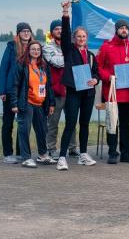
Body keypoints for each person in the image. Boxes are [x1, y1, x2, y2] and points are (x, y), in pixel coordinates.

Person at [55, 1, 101, 171]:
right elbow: (65, 34)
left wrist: (96, 79)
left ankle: (83, 154)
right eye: (78, 36)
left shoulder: (90, 55)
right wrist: (65, 13)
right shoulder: (69, 50)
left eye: (84, 36)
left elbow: (97, 73)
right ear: (74, 39)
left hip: (88, 93)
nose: (81, 39)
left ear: (86, 38)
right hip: (74, 92)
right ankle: (61, 157)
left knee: (85, 124)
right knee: (70, 124)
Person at [7, 41, 56, 168]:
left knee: (42, 130)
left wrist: (51, 103)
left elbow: (49, 86)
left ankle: (43, 155)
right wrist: (14, 103)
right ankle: (26, 157)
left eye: (38, 49)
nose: (36, 51)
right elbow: (15, 85)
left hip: (40, 103)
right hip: (26, 102)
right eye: (33, 49)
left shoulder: (44, 66)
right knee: (24, 130)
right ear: (28, 50)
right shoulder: (22, 65)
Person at [97, 18, 129, 164]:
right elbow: (98, 67)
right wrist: (108, 77)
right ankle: (112, 152)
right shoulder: (106, 47)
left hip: (127, 93)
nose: (124, 30)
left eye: (126, 28)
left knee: (125, 124)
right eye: (121, 28)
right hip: (112, 92)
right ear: (116, 30)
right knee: (112, 123)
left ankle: (126, 153)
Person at [0, 22, 34, 164]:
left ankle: (21, 152)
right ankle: (7, 154)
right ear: (18, 33)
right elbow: (3, 69)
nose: (26, 33)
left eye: (28, 31)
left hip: (25, 92)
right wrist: (2, 90)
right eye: (23, 31)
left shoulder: (33, 48)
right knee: (8, 123)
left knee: (23, 123)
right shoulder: (11, 48)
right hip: (10, 90)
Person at [44, 19, 78, 158]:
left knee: (72, 122)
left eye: (61, 29)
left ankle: (72, 148)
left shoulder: (71, 47)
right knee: (53, 122)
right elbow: (56, 62)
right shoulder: (47, 47)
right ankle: (51, 148)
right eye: (56, 29)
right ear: (52, 32)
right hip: (55, 91)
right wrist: (70, 59)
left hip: (70, 90)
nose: (59, 31)